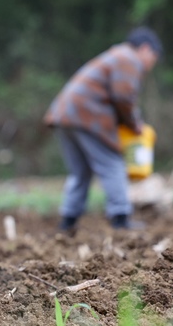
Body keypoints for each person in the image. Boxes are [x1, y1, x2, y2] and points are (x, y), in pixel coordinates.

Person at [43, 27, 163, 231]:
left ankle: (68, 221)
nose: (152, 64)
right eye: (154, 57)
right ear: (145, 49)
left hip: (64, 114)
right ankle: (121, 218)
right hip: (86, 115)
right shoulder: (128, 59)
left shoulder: (114, 56)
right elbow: (124, 98)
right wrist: (135, 125)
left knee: (79, 172)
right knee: (112, 163)